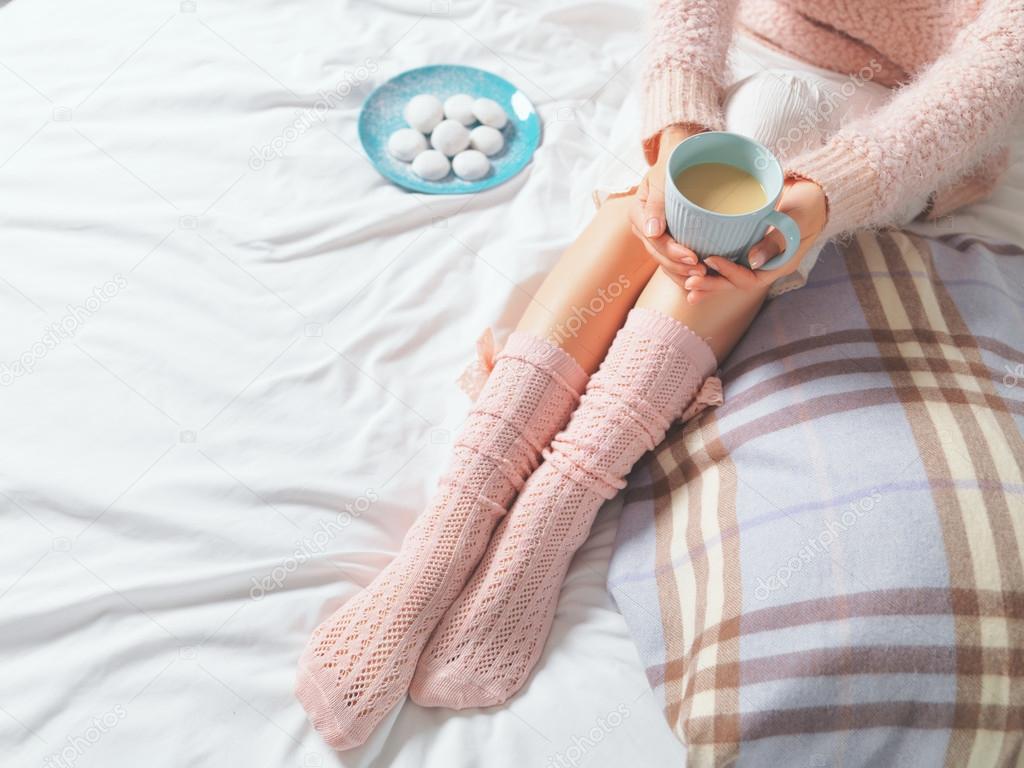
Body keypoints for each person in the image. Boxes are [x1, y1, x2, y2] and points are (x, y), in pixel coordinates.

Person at [296, 0, 1023, 749]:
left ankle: (554, 507)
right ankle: (456, 524)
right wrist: (679, 124)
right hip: (748, 64)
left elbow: (993, 77)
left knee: (757, 156)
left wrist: (824, 193)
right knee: (673, 195)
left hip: (908, 123)